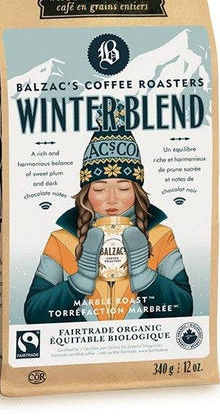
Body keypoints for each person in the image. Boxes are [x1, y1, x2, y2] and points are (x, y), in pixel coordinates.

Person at [24, 106, 193, 323]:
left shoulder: (161, 237)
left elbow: (184, 311)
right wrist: (79, 282)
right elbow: (34, 315)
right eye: (99, 189)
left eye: (123, 188)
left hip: (142, 340)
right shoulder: (61, 240)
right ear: (86, 192)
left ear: (137, 191)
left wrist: (145, 276)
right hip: (78, 342)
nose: (112, 199)